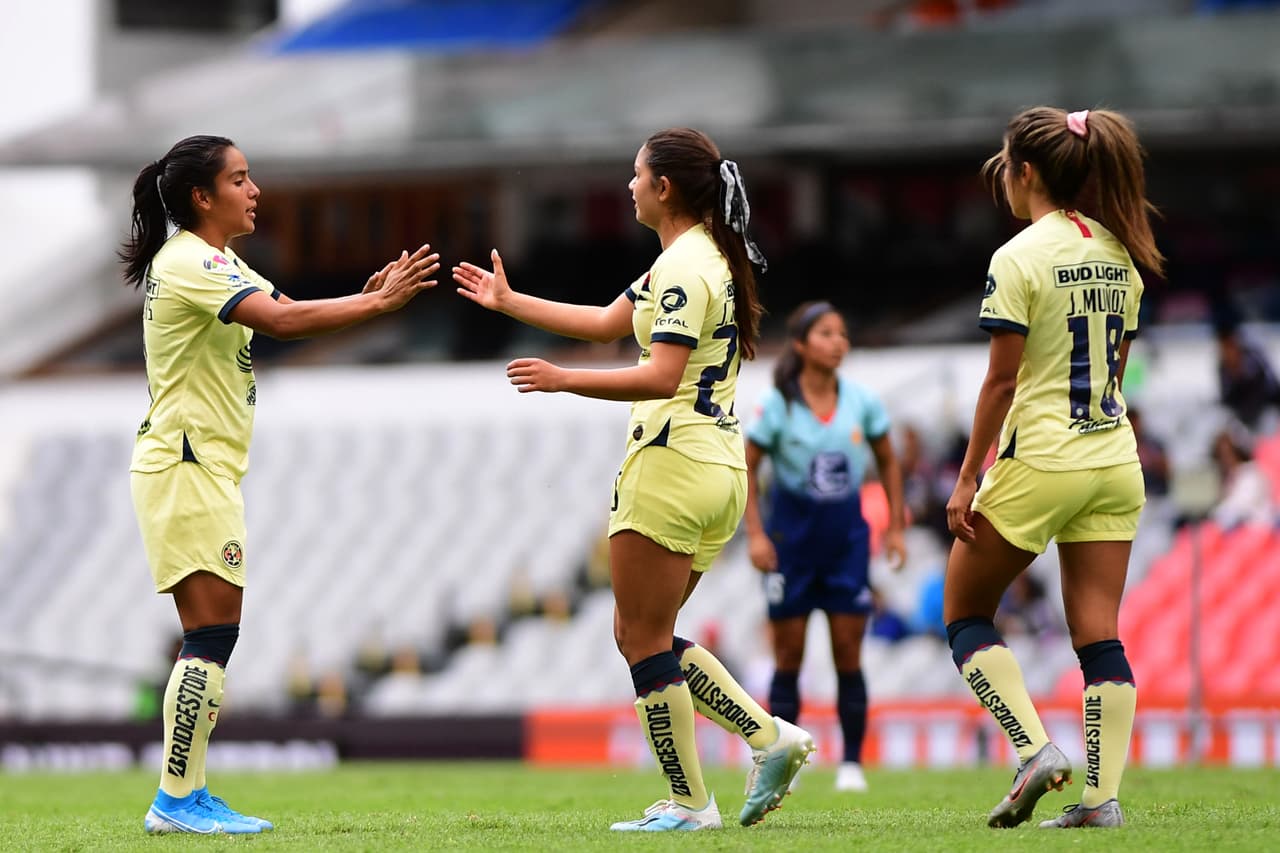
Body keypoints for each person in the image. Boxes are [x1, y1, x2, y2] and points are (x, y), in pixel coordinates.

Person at [453, 127, 814, 832]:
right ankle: (770, 737)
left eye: (636, 174)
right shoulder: (699, 258)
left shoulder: (684, 266)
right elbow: (603, 322)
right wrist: (510, 301)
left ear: (664, 188)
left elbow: (660, 374)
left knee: (643, 639)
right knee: (642, 631)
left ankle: (691, 801)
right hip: (716, 466)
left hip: (670, 463)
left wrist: (562, 381)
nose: (628, 185)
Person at [122, 134, 439, 835]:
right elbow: (284, 321)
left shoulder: (215, 259)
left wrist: (365, 297)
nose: (255, 189)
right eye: (240, 178)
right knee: (210, 634)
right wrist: (376, 308)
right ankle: (174, 799)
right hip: (185, 464)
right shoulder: (192, 261)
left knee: (213, 633)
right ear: (203, 197)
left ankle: (189, 792)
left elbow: (289, 304)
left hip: (199, 465)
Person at [942, 107, 1163, 830]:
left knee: (966, 612)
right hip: (1112, 456)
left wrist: (969, 474)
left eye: (1005, 167)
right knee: (1100, 635)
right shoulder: (1120, 251)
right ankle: (1101, 799)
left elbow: (1002, 383)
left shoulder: (1018, 256)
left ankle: (1034, 748)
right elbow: (1117, 373)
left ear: (1026, 173)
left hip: (1043, 456)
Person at [741, 300, 906, 793]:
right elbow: (746, 466)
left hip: (846, 545)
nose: (839, 342)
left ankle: (851, 764)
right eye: (827, 333)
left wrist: (895, 527)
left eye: (843, 333)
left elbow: (889, 462)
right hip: (790, 546)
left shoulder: (862, 402)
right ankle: (782, 767)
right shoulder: (777, 405)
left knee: (848, 654)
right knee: (788, 658)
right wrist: (754, 533)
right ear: (800, 345)